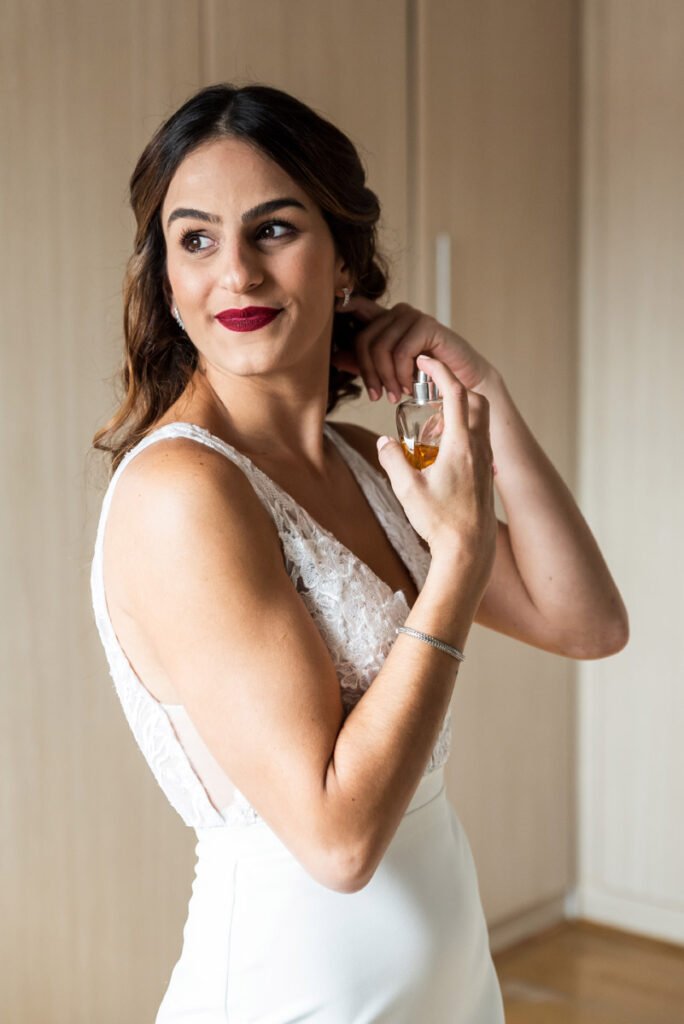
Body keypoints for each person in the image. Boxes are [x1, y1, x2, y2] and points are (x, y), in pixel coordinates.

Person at [90, 82, 628, 1023]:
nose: (237, 274)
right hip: (292, 996)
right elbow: (338, 844)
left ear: (345, 262)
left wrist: (481, 387)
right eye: (196, 240)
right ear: (167, 281)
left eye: (274, 229)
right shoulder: (182, 493)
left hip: (451, 979)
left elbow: (586, 620)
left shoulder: (359, 459)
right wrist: (457, 562)